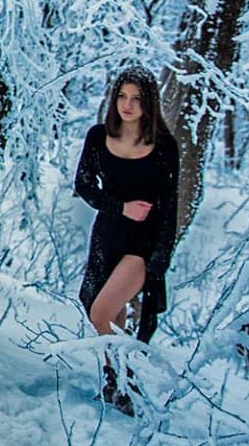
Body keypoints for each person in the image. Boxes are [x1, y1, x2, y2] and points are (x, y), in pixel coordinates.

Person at [73, 65, 180, 414]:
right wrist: (120, 207)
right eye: (122, 96)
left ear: (149, 103)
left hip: (141, 243)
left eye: (136, 98)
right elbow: (84, 186)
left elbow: (169, 206)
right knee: (103, 308)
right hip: (108, 232)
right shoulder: (97, 136)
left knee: (102, 311)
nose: (128, 105)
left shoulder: (164, 147)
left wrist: (161, 257)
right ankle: (115, 383)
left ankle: (124, 378)